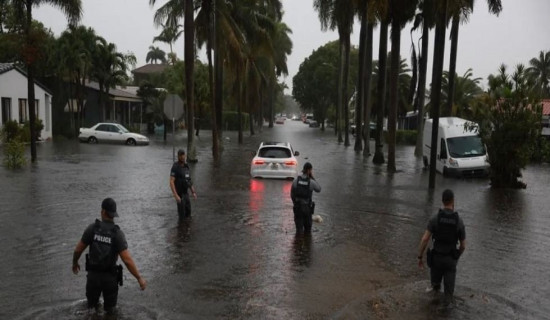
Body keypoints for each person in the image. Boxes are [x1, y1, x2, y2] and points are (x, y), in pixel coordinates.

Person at [72, 198, 146, 314]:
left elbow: (78, 250)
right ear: (113, 214)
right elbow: (127, 260)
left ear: (103, 211)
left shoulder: (92, 229)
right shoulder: (117, 234)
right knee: (111, 311)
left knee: (91, 309)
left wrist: (75, 263)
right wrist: (139, 278)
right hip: (110, 279)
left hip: (93, 277)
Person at [418, 189, 466, 305]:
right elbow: (463, 246)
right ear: (453, 201)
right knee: (448, 297)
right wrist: (456, 257)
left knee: (434, 291)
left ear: (442, 201)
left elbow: (424, 239)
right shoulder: (459, 221)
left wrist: (420, 257)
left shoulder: (435, 219)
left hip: (436, 260)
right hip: (450, 261)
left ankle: (431, 313)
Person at [290, 162, 321, 234]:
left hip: (298, 208)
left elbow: (292, 194)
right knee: (307, 231)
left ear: (303, 169)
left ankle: (297, 244)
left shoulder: (296, 181)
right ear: (309, 170)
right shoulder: (311, 182)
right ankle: (307, 244)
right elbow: (319, 189)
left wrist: (295, 203)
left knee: (299, 230)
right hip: (307, 209)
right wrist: (312, 177)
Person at [170, 149, 197, 219]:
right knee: (182, 216)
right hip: (179, 194)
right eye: (181, 155)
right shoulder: (175, 167)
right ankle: (180, 228)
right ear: (178, 156)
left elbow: (189, 180)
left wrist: (193, 192)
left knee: (188, 214)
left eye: (183, 155)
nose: (182, 157)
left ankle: (187, 228)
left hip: (186, 194)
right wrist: (176, 195)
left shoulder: (186, 166)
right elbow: (171, 182)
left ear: (185, 155)